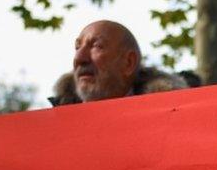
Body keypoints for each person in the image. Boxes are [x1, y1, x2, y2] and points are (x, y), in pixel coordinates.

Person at [49, 20, 189, 106]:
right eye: (77, 47)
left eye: (97, 46)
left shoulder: (174, 122)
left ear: (128, 62)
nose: (79, 58)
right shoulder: (53, 128)